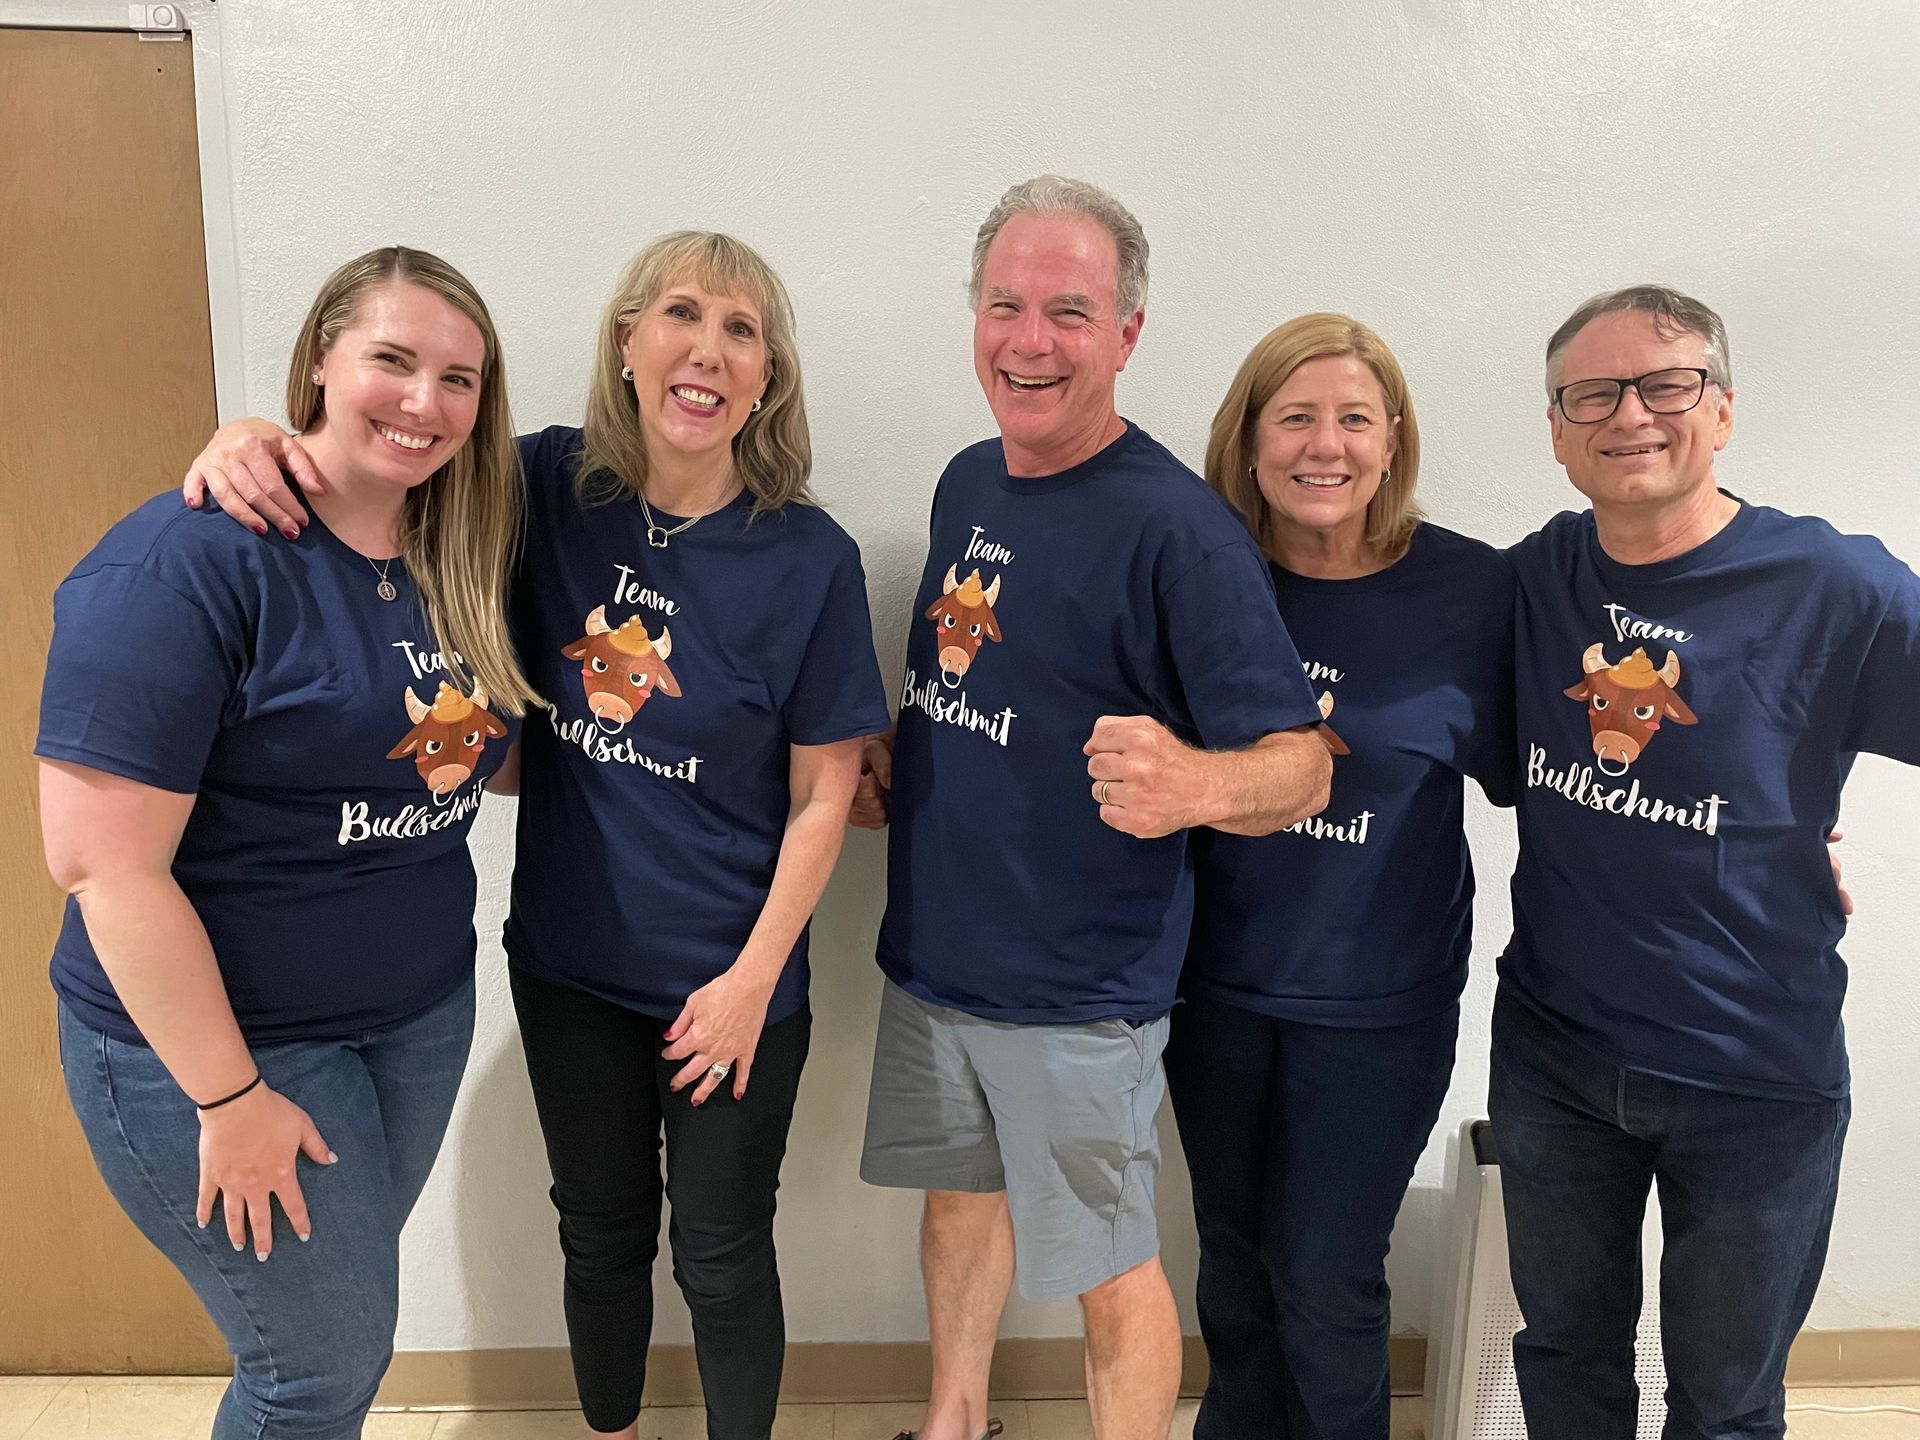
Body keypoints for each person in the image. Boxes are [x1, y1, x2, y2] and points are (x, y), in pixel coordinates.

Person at [182, 232, 890, 1440]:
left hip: (734, 985)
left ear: (767, 375)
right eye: (680, 313)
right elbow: (382, 476)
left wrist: (748, 983)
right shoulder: (543, 486)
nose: (707, 351)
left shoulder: (807, 556)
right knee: (599, 1229)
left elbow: (827, 796)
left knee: (721, 1252)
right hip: (569, 967)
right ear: (626, 343)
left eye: (742, 329)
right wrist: (253, 439)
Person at [850, 176, 1333, 1440]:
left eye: (1069, 311)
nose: (1030, 340)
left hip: (1078, 989)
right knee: (959, 1202)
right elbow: (984, 677)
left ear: (1125, 335)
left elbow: (1305, 764)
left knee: (1109, 1267)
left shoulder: (1182, 532)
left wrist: (1201, 783)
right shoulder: (968, 484)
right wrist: (904, 753)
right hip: (936, 955)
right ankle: (954, 1421)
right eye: (1005, 304)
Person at [40, 245, 533, 1440]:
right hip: (220, 1054)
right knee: (314, 1367)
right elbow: (102, 865)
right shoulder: (187, 561)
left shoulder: (456, 556)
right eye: (393, 360)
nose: (426, 403)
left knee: (331, 1350)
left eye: (459, 379)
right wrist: (231, 1096)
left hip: (410, 1024)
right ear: (323, 357)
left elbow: (491, 751)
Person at [1492, 285, 1920, 1439]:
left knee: (1726, 1406)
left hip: (1758, 1075)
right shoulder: (1533, 583)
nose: (1631, 413)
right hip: (1557, 1063)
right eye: (1594, 392)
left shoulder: (1839, 587)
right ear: (1558, 429)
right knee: (1567, 1365)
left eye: (1666, 383)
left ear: (1721, 410)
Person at [1165, 314, 1515, 1440]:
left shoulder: (1474, 593)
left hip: (1381, 1006)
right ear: (1250, 438)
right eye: (1296, 418)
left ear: (1393, 439)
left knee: (1325, 1279)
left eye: (1354, 418)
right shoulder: (1203, 576)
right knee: (1233, 1268)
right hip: (1211, 991)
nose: (1326, 447)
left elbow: (1564, 771)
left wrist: (1784, 827)